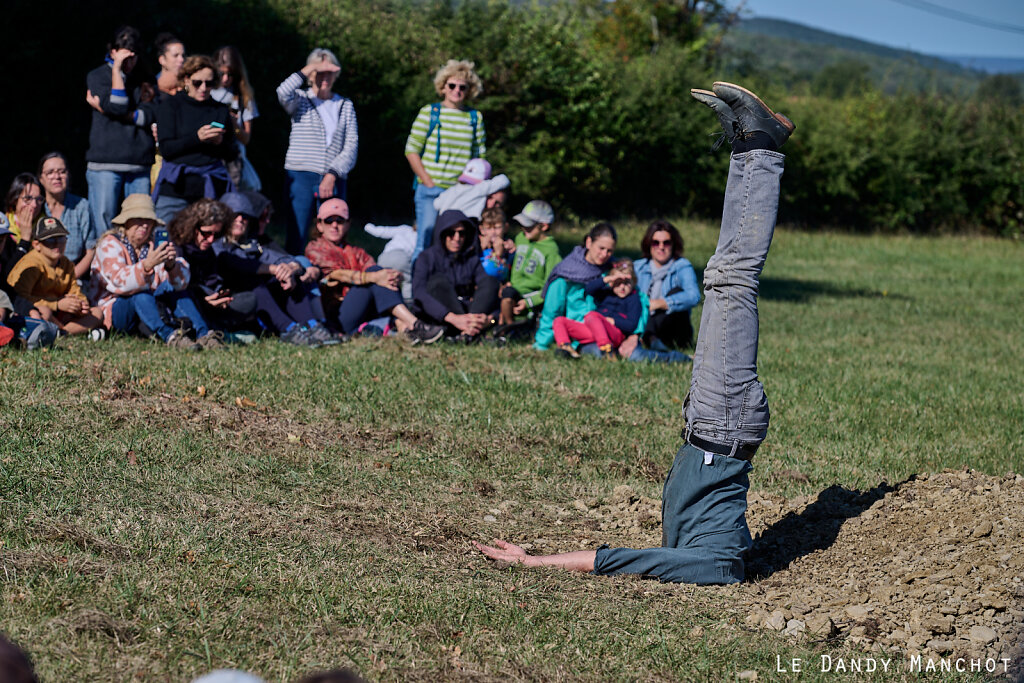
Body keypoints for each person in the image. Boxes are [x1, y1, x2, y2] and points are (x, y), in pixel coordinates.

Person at [475, 81, 795, 584]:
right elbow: (622, 560)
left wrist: (534, 559)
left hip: (715, 423)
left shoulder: (707, 556)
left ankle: (750, 145)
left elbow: (627, 557)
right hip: (723, 421)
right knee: (731, 278)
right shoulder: (715, 565)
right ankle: (761, 147)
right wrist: (534, 562)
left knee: (721, 277)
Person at [88, 193, 221, 350]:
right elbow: (120, 283)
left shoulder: (153, 245)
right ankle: (171, 336)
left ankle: (204, 334)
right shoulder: (109, 244)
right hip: (114, 310)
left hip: (149, 307)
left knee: (176, 291)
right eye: (139, 219)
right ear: (126, 221)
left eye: (148, 221)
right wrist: (146, 266)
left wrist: (171, 267)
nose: (144, 225)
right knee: (140, 295)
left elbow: (180, 284)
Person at [305, 199, 445, 343]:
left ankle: (405, 328)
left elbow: (375, 272)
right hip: (336, 315)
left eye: (340, 220)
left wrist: (392, 276)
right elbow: (335, 274)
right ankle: (415, 324)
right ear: (319, 225)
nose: (334, 225)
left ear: (348, 224)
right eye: (329, 220)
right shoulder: (315, 249)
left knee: (380, 275)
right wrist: (374, 276)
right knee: (375, 274)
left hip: (363, 309)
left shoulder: (355, 251)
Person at [214, 192, 341, 347]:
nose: (240, 219)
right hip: (229, 302)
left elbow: (282, 258)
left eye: (244, 217)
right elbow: (235, 263)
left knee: (287, 276)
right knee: (253, 281)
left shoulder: (252, 245)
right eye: (235, 215)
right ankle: (288, 329)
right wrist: (273, 269)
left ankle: (312, 325)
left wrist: (290, 268)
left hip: (258, 300)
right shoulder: (216, 243)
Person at [277, 48, 359, 253]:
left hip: (333, 178)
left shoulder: (344, 105)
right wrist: (312, 67)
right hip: (301, 175)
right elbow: (282, 92)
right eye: (319, 73)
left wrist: (333, 174)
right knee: (297, 233)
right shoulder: (300, 99)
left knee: (333, 233)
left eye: (328, 73)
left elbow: (351, 145)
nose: (324, 78)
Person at [405, 60, 487, 261]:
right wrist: (428, 181)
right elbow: (411, 150)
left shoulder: (474, 117)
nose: (456, 90)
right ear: (443, 87)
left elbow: (479, 158)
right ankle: (416, 289)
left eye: (462, 87)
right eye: (452, 85)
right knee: (425, 242)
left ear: (469, 91)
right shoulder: (430, 113)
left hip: (460, 193)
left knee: (458, 245)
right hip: (430, 191)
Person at [85, 25, 157, 235]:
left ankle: (136, 267)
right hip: (105, 164)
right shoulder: (97, 76)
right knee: (104, 224)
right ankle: (106, 265)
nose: (129, 62)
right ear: (113, 51)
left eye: (133, 57)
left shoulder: (146, 79)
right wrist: (116, 71)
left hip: (138, 164)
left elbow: (147, 116)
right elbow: (118, 104)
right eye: (123, 56)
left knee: (141, 226)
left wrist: (108, 110)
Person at [152, 55, 237, 224]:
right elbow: (167, 149)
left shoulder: (219, 110)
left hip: (209, 190)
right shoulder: (171, 106)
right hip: (175, 188)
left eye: (209, 83)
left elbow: (232, 153)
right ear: (187, 80)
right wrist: (197, 138)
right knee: (166, 243)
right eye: (198, 82)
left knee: (209, 246)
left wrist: (219, 142)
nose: (203, 88)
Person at [168, 197, 256, 337]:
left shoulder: (207, 251)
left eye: (216, 235)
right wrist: (203, 299)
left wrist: (219, 295)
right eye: (206, 233)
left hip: (210, 302)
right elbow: (175, 284)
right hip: (184, 301)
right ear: (193, 228)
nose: (210, 240)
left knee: (250, 299)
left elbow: (212, 279)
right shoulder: (177, 247)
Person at [6, 217, 103, 337]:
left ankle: (62, 332)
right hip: (36, 312)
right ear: (37, 245)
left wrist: (81, 304)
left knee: (97, 313)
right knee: (44, 312)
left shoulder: (66, 263)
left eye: (61, 238)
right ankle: (64, 331)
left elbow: (75, 290)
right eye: (50, 240)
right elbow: (20, 299)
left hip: (60, 314)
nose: (57, 244)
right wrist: (57, 304)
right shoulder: (31, 265)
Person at [411, 209, 498, 341]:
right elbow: (418, 292)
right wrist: (452, 317)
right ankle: (467, 330)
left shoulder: (470, 258)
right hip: (440, 315)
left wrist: (489, 319)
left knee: (491, 282)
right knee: (438, 283)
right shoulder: (426, 257)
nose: (457, 238)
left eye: (461, 233)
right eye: (451, 233)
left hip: (467, 312)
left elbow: (486, 284)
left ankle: (470, 330)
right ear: (442, 234)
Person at [532, 222, 620, 351]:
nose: (604, 255)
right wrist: (541, 344)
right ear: (589, 242)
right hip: (577, 334)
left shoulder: (612, 269)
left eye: (609, 251)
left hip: (607, 329)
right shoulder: (566, 273)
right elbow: (552, 311)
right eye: (601, 248)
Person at [553, 260, 645, 360]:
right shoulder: (607, 293)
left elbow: (631, 325)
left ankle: (607, 350)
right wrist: (606, 279)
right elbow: (589, 289)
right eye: (618, 283)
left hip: (614, 334)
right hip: (594, 331)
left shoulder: (633, 298)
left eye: (626, 283)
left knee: (592, 315)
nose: (622, 287)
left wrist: (612, 321)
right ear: (612, 283)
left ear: (634, 282)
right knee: (559, 321)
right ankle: (566, 348)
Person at [635, 220, 700, 350]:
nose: (661, 247)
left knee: (675, 291)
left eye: (666, 242)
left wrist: (662, 303)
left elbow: (694, 296)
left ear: (673, 244)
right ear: (649, 244)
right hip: (644, 321)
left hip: (673, 328)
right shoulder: (638, 267)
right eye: (655, 243)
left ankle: (651, 339)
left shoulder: (682, 266)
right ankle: (648, 338)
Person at [499, 200, 560, 326]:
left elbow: (550, 284)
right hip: (514, 289)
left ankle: (516, 327)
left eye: (529, 225)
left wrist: (529, 302)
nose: (524, 228)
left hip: (534, 295)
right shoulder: (520, 238)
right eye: (522, 224)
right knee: (506, 293)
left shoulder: (551, 250)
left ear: (544, 226)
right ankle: (507, 325)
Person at [38, 152, 97, 279]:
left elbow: (91, 251)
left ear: (68, 175)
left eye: (61, 172)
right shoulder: (36, 208)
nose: (57, 177)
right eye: (50, 172)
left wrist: (69, 278)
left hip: (73, 276)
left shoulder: (81, 206)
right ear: (41, 179)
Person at [212, 46, 261, 190]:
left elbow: (246, 138)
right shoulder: (204, 90)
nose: (226, 79)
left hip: (233, 162)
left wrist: (234, 125)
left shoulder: (241, 97)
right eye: (221, 73)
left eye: (230, 74)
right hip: (209, 157)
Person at [433, 159, 509, 219]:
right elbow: (504, 180)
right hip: (467, 225)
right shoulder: (480, 188)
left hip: (443, 224)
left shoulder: (452, 189)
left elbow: (436, 204)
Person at [364, 221, 416, 301]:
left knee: (382, 280)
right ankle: (408, 304)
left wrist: (368, 226)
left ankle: (378, 301)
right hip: (402, 258)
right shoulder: (424, 237)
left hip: (384, 257)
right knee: (408, 280)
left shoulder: (404, 228)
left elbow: (383, 232)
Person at [5, 174, 46, 247]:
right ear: (15, 200)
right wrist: (25, 238)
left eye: (39, 199)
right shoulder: (3, 228)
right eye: (27, 198)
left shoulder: (46, 227)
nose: (34, 205)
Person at [477, 207, 512, 282]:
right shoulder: (476, 244)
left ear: (505, 227)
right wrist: (480, 248)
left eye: (497, 228)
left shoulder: (508, 246)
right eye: (489, 228)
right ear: (482, 230)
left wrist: (501, 254)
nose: (493, 232)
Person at [154, 32, 186, 98]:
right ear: (162, 60)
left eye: (183, 55)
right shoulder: (153, 88)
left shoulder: (189, 85)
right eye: (175, 55)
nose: (181, 59)